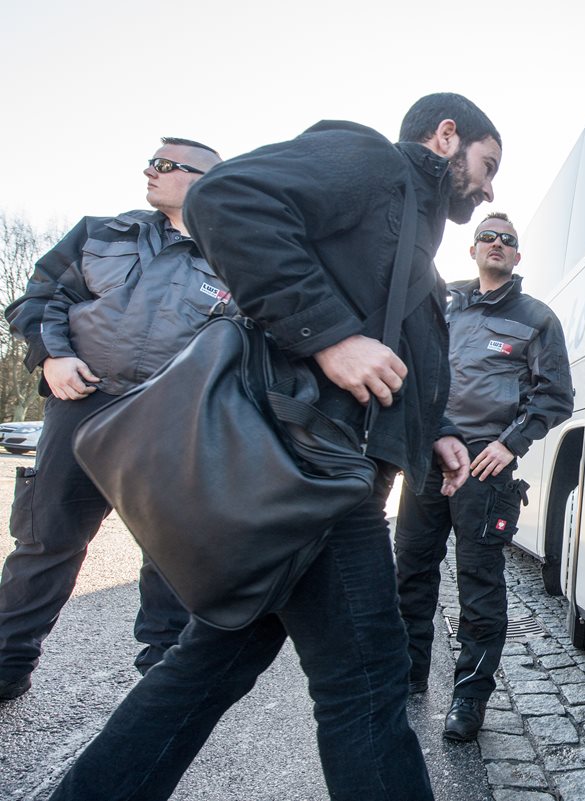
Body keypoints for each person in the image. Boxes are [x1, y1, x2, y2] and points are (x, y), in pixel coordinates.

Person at [46, 93, 500, 801]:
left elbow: (392, 357)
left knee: (208, 668)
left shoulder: (414, 238)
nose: (489, 187)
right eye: (487, 164)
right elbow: (226, 199)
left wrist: (434, 430)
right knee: (368, 683)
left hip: (317, 470)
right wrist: (330, 337)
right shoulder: (370, 160)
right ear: (447, 136)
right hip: (310, 469)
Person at [0, 138, 226, 701]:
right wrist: (52, 357)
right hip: (82, 407)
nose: (150, 170)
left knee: (172, 556)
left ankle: (163, 685)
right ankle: (6, 663)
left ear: (205, 181)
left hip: (170, 423)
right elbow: (38, 300)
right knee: (46, 541)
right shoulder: (101, 233)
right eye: (152, 160)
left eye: (166, 165)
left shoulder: (237, 256)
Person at [394, 212, 572, 742]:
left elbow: (555, 396)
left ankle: (469, 699)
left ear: (517, 256)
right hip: (427, 457)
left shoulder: (536, 317)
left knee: (479, 584)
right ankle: (408, 676)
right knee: (410, 573)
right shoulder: (442, 302)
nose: (497, 243)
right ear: (472, 249)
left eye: (507, 240)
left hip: (484, 468)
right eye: (487, 236)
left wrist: (508, 443)